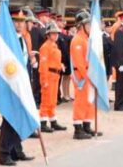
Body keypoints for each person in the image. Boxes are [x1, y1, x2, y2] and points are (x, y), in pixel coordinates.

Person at [0, 8, 35, 166]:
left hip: (22, 83)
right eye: (16, 21)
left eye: (22, 22)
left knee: (18, 117)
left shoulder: (23, 39)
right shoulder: (7, 41)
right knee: (9, 119)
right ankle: (4, 153)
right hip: (11, 84)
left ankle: (16, 149)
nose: (19, 25)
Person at [70, 10, 102, 139]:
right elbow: (79, 63)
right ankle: (78, 129)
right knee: (81, 102)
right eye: (87, 25)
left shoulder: (86, 39)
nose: (89, 27)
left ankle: (86, 125)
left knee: (89, 101)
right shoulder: (77, 40)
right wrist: (88, 76)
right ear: (80, 26)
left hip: (89, 74)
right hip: (81, 76)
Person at [39, 22, 67, 133]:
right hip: (48, 76)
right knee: (46, 100)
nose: (56, 35)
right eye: (53, 33)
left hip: (55, 75)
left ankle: (53, 121)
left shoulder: (54, 46)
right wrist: (44, 80)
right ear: (48, 35)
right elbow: (43, 65)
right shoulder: (45, 47)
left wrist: (60, 65)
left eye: (56, 33)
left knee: (53, 100)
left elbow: (53, 60)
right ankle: (43, 122)